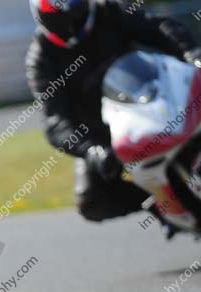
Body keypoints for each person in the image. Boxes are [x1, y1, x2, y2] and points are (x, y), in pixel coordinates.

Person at [26, 0, 201, 230]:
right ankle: (162, 205)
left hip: (147, 98)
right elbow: (56, 121)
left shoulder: (107, 12)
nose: (69, 24)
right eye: (58, 20)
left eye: (75, 15)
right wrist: (92, 150)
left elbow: (158, 27)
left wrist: (191, 52)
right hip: (102, 132)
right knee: (91, 202)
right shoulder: (41, 60)